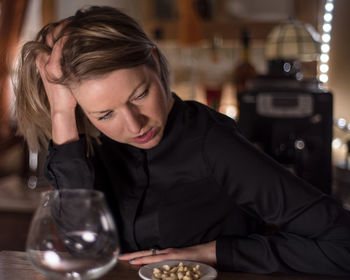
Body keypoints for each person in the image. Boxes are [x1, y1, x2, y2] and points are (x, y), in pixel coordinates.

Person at [15, 6, 350, 276]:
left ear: (154, 61)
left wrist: (216, 253)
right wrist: (60, 113)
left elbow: (342, 243)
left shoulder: (213, 143)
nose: (134, 125)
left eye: (140, 94)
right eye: (105, 115)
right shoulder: (84, 142)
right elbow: (82, 250)